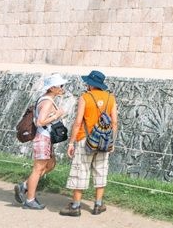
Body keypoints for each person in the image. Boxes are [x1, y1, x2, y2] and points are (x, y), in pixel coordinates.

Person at [60, 70, 118, 217]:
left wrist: (71, 143)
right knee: (101, 170)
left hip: (85, 139)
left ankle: (76, 206)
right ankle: (98, 205)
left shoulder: (85, 97)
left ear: (91, 84)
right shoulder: (111, 98)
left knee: (81, 170)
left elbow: (78, 121)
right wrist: (113, 142)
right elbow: (115, 123)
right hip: (104, 140)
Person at [14, 73, 68, 210]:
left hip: (45, 137)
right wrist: (57, 115)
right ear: (52, 88)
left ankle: (25, 186)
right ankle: (30, 200)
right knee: (38, 169)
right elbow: (40, 122)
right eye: (60, 85)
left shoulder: (46, 99)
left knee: (50, 165)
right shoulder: (48, 102)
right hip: (43, 137)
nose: (62, 88)